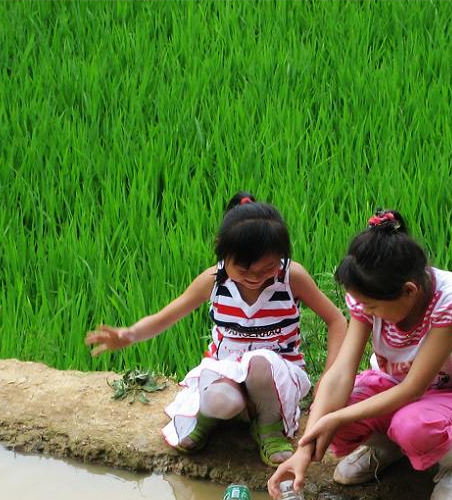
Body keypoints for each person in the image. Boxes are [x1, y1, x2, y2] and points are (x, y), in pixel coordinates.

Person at [85, 192, 347, 466]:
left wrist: (328, 378)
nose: (256, 278)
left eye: (267, 267)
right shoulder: (213, 280)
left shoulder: (292, 277)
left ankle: (269, 428)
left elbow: (337, 321)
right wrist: (130, 334)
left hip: (276, 375)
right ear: (223, 252)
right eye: (244, 269)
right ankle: (207, 417)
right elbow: (167, 316)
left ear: (281, 256)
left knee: (260, 362)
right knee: (223, 400)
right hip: (226, 370)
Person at [267, 209, 452, 500]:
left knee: (411, 424)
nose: (365, 311)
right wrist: (305, 448)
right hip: (391, 385)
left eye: (373, 306)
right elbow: (340, 373)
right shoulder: (370, 296)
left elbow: (414, 388)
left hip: (451, 395)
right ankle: (388, 446)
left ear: (409, 291)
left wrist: (335, 418)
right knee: (336, 401)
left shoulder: (451, 301)